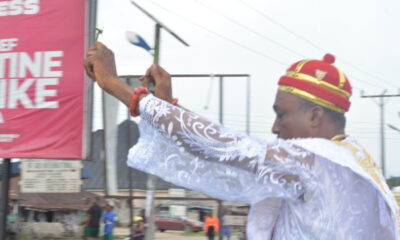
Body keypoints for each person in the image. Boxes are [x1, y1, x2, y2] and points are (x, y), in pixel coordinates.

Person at [85, 42, 398, 239]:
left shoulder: (319, 163)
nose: (275, 127)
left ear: (316, 116)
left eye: (282, 115)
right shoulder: (352, 158)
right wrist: (168, 108)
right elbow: (224, 146)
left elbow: (223, 146)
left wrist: (116, 85)